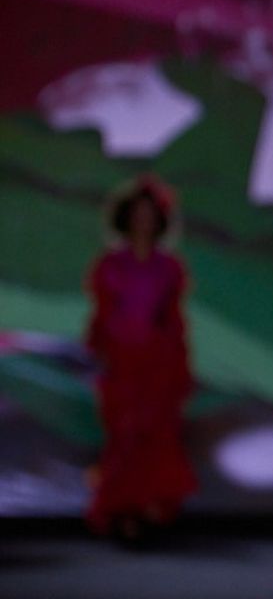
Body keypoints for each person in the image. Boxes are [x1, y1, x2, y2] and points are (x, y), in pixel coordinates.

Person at [83, 173, 197, 544]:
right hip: (122, 364)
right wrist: (99, 354)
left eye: (149, 214)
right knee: (124, 435)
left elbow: (174, 320)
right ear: (127, 218)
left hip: (157, 364)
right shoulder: (110, 266)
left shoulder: (170, 268)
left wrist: (178, 363)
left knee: (157, 434)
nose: (143, 221)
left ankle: (151, 505)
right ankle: (123, 509)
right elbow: (102, 317)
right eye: (137, 214)